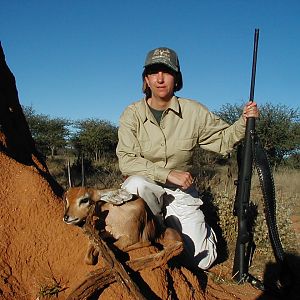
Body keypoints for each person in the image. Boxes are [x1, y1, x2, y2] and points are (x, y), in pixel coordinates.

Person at [116, 47, 259, 270]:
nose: (160, 78)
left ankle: (198, 228)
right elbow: (126, 160)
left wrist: (243, 122)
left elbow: (222, 140)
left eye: (167, 71)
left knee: (201, 261)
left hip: (180, 193)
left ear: (177, 78)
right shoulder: (131, 114)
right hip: (147, 187)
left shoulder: (194, 111)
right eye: (154, 72)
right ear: (146, 79)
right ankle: (153, 229)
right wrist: (167, 174)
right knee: (135, 183)